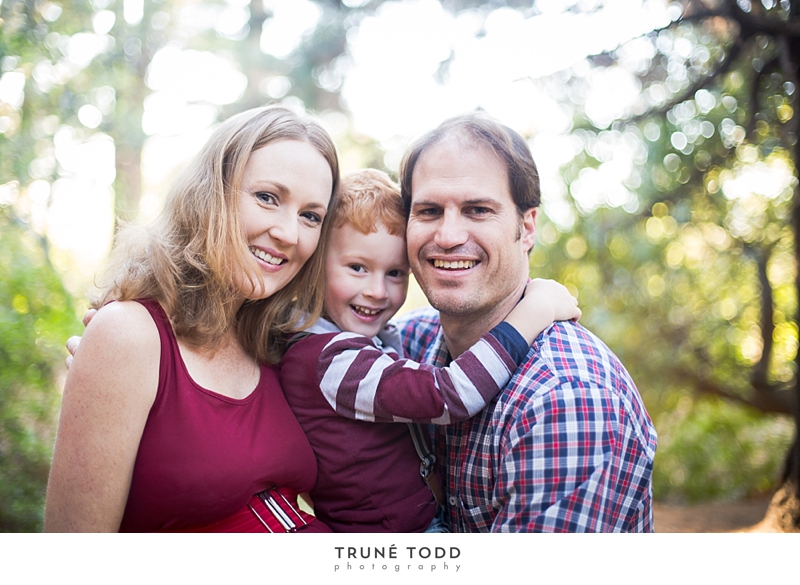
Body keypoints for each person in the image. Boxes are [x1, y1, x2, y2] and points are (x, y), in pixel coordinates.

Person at [44, 106, 339, 532]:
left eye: (311, 216)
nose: (289, 233)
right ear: (210, 193)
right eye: (267, 198)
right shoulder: (130, 334)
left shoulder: (281, 341)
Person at [395, 112, 658, 532]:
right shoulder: (405, 345)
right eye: (428, 210)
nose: (446, 236)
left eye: (477, 210)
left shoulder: (566, 396)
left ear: (527, 226)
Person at [279, 169, 581, 532]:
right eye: (357, 268)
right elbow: (451, 394)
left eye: (395, 273)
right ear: (313, 267)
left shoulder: (354, 342)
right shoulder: (329, 360)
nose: (377, 291)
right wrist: (534, 313)